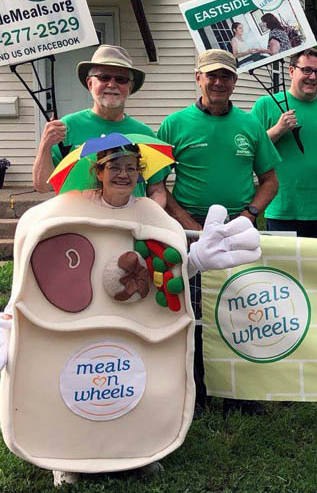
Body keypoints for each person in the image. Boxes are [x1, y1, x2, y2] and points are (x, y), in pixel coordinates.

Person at [5, 144, 260, 487]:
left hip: (136, 321)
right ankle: (67, 457)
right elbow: (32, 279)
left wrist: (196, 259)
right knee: (75, 381)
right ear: (99, 171)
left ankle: (141, 449)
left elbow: (170, 269)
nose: (123, 174)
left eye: (131, 167)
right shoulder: (65, 210)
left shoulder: (152, 216)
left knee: (132, 383)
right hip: (77, 324)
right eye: (115, 167)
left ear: (140, 172)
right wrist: (11, 323)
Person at [158, 49, 281, 411]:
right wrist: (191, 226)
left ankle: (241, 392)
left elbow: (271, 179)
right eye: (211, 75)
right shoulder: (175, 125)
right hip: (189, 230)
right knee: (193, 313)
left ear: (234, 82)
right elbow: (158, 184)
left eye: (226, 76)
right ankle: (196, 391)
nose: (218, 82)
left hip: (238, 230)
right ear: (198, 77)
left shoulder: (250, 125)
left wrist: (249, 214)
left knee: (242, 310)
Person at [30, 45, 167, 205]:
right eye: (104, 77)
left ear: (130, 87)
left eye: (121, 79)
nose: (111, 84)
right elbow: (42, 186)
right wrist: (45, 144)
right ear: (90, 83)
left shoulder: (143, 133)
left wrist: (149, 217)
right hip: (80, 223)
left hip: (128, 223)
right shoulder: (67, 127)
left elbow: (156, 189)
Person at [252, 48, 317, 238]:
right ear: (292, 71)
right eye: (306, 70)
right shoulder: (266, 105)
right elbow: (252, 150)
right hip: (282, 209)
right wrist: (278, 130)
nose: (313, 77)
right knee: (285, 268)